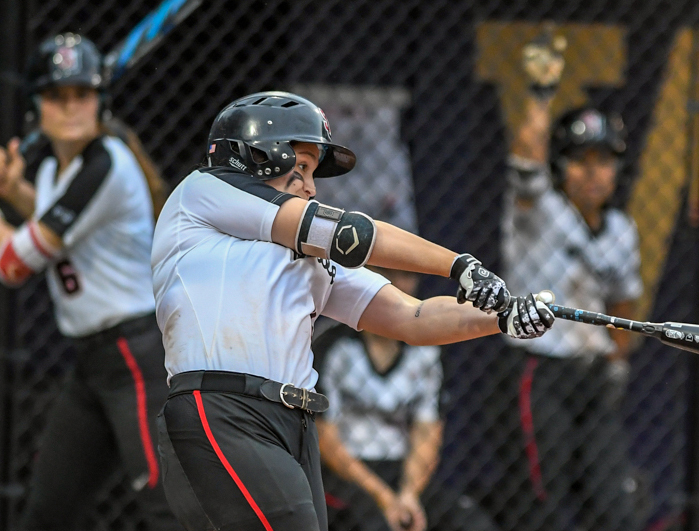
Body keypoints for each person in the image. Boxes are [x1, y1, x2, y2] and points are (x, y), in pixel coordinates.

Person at [151, 90, 555, 531]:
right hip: (224, 409)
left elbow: (411, 317)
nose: (310, 186)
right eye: (301, 168)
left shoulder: (306, 258)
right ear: (255, 156)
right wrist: (459, 265)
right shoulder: (204, 192)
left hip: (291, 427)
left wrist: (503, 317)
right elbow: (353, 234)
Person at [0, 33, 178, 530]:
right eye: (58, 97)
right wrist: (13, 190)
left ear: (100, 101)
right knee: (47, 510)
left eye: (83, 94)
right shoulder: (64, 167)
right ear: (38, 105)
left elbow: (13, 266)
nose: (72, 107)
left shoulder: (105, 164)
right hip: (93, 365)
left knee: (165, 508)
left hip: (135, 356)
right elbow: (57, 223)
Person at [478, 31, 650, 531]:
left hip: (591, 378)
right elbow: (526, 160)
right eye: (582, 161)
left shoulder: (621, 230)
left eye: (605, 161)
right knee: (539, 504)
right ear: (563, 166)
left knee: (613, 507)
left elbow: (626, 298)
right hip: (537, 371)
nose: (594, 173)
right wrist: (539, 95)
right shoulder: (539, 210)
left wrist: (616, 360)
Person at [315, 266, 499, 531]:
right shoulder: (333, 343)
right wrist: (384, 498)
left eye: (406, 274)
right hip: (346, 474)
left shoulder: (428, 349)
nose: (397, 284)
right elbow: (325, 440)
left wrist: (408, 495)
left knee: (472, 523)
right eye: (385, 272)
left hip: (404, 472)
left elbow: (428, 432)